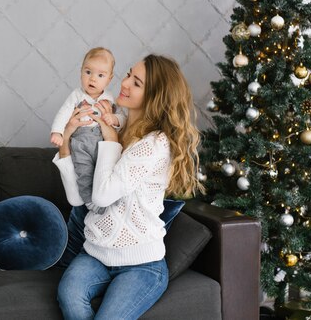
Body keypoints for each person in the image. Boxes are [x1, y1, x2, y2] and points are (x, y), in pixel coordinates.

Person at [52, 54, 202, 320]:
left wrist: (110, 140)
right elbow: (81, 200)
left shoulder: (154, 144)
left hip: (142, 265)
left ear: (154, 96)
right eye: (129, 74)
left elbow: (102, 194)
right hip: (95, 254)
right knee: (69, 296)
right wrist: (66, 141)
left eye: (137, 82)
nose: (125, 83)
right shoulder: (113, 125)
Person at [50, 47, 124, 215]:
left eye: (100, 75)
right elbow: (63, 113)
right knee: (84, 172)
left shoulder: (110, 98)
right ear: (81, 72)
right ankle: (90, 200)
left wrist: (114, 119)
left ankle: (110, 200)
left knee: (104, 171)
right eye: (88, 72)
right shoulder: (76, 96)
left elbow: (122, 118)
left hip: (102, 142)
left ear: (109, 79)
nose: (92, 79)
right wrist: (58, 132)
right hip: (81, 142)